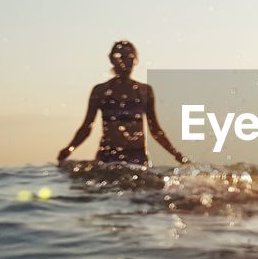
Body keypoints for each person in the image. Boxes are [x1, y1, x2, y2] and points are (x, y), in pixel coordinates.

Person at [57, 40, 189, 166]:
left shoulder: (145, 91)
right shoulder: (100, 91)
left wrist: (176, 154)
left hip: (137, 158)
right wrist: (70, 148)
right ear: (112, 60)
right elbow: (87, 127)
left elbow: (155, 130)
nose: (125, 61)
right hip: (107, 156)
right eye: (121, 57)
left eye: (130, 57)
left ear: (135, 60)